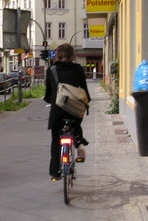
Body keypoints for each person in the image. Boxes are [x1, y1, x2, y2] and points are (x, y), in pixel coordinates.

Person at [44, 43, 91, 181]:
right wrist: (87, 102)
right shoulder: (78, 69)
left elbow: (48, 94)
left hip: (57, 110)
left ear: (57, 56)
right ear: (72, 56)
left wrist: (49, 99)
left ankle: (55, 173)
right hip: (73, 109)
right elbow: (84, 89)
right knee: (76, 124)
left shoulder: (51, 70)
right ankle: (79, 144)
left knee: (55, 139)